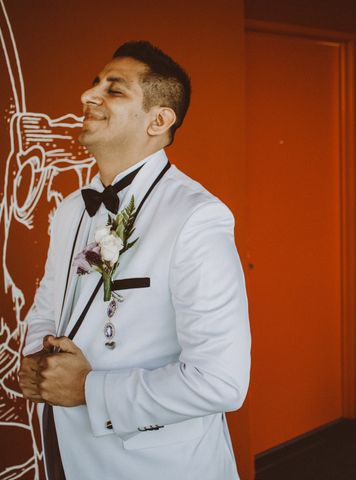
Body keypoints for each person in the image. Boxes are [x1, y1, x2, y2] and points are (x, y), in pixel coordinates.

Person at [17, 41, 251, 479]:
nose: (89, 96)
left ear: (159, 120)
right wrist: (36, 356)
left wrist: (90, 390)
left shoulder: (196, 217)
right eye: (94, 85)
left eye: (114, 90)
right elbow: (51, 301)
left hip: (154, 465)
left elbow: (221, 381)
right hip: (66, 454)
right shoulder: (71, 209)